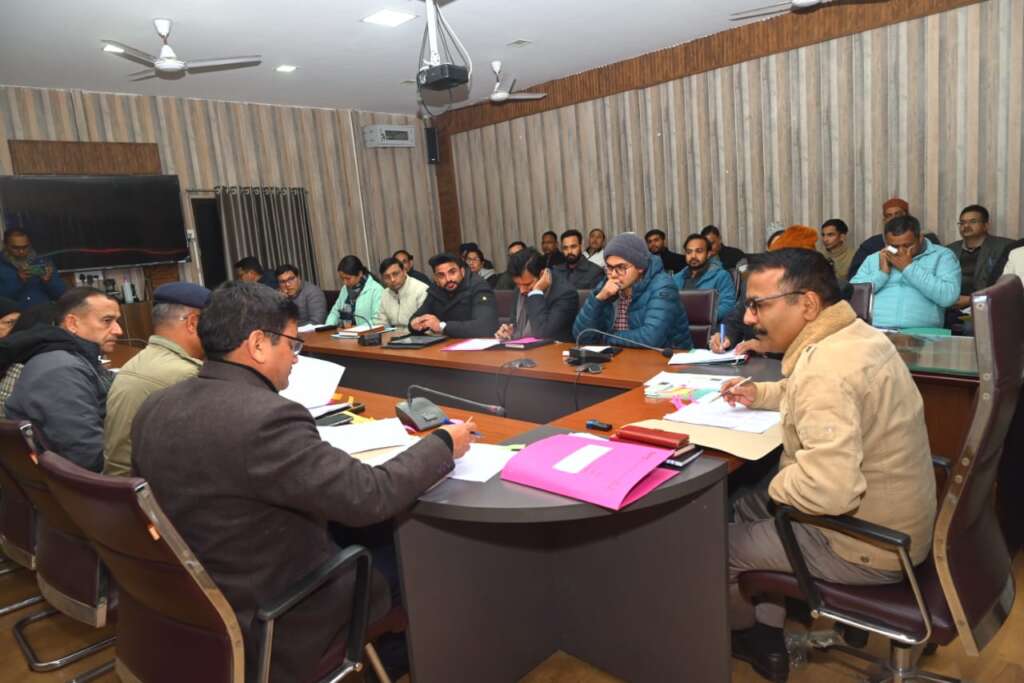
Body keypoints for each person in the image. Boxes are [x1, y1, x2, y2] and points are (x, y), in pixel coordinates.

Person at [132, 281, 473, 683]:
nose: (296, 359)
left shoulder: (156, 405)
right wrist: (442, 445)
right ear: (258, 344)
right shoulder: (266, 417)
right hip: (278, 613)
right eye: (292, 345)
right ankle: (398, 659)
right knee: (419, 556)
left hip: (193, 605)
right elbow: (369, 496)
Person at [720, 249, 935, 682]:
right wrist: (761, 395)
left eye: (758, 305)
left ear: (807, 304)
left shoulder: (827, 369)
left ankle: (754, 636)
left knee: (717, 547)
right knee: (746, 503)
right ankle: (778, 608)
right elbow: (809, 392)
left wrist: (779, 483)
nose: (748, 318)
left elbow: (830, 491)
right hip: (900, 522)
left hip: (867, 545)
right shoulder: (853, 336)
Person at [5, 287, 121, 471]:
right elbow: (87, 456)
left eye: (117, 321)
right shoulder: (60, 369)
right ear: (72, 323)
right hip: (80, 483)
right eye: (107, 321)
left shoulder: (75, 357)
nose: (118, 330)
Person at [102, 282, 211, 477]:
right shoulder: (187, 375)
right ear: (193, 323)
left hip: (123, 485)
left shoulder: (134, 363)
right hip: (150, 488)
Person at [573, 232, 693, 350]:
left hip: (665, 358)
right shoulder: (607, 284)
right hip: (618, 356)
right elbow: (581, 336)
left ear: (640, 267)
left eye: (621, 267)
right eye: (609, 267)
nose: (613, 274)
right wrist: (599, 299)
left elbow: (651, 338)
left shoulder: (663, 286)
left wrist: (605, 337)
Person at [851, 215, 960, 329]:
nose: (901, 251)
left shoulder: (942, 256)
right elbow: (854, 295)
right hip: (874, 330)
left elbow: (948, 297)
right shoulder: (874, 258)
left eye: (907, 245)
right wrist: (881, 274)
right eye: (894, 246)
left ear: (920, 238)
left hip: (922, 333)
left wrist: (908, 267)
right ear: (886, 243)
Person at [495, 248, 579, 343]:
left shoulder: (565, 294)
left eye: (527, 284)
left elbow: (543, 333)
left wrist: (536, 292)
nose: (522, 290)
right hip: (524, 349)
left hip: (554, 350)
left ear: (542, 274)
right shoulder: (521, 287)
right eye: (518, 284)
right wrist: (509, 332)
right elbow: (515, 324)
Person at [409, 253, 499, 338]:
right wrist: (414, 324)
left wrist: (441, 326)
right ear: (436, 279)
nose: (448, 279)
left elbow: (485, 326)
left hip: (474, 345)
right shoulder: (436, 289)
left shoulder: (478, 286)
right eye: (441, 275)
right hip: (445, 343)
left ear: (462, 271)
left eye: (452, 272)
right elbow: (418, 316)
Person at [847, 198, 942, 278]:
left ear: (908, 216)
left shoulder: (927, 241)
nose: (894, 218)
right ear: (884, 220)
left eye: (898, 214)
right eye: (889, 216)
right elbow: (855, 278)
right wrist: (881, 274)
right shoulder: (872, 244)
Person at [946, 205, 1013, 309]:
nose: (966, 226)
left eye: (973, 222)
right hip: (953, 306)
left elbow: (1008, 286)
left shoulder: (1005, 247)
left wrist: (972, 300)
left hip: (989, 307)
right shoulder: (949, 250)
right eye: (962, 223)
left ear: (986, 225)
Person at [672, 234, 736, 321]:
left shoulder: (721, 276)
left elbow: (728, 306)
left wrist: (703, 316)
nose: (693, 256)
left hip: (708, 326)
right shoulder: (676, 278)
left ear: (708, 254)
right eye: (689, 252)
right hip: (679, 326)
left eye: (699, 251)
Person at [0, 229, 66, 309]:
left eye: (25, 247)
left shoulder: (43, 261)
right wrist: (18, 282)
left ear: (30, 244)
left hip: (44, 312)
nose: (21, 251)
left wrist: (48, 281)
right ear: (5, 245)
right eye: (15, 248)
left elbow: (61, 295)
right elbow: (2, 300)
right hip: (14, 314)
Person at [373, 257, 429, 333]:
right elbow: (380, 322)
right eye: (387, 277)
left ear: (404, 271)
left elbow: (425, 325)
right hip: (394, 337)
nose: (392, 279)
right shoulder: (385, 294)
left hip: (417, 335)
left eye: (395, 274)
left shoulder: (421, 289)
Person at [325, 255, 384, 328]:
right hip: (347, 332)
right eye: (342, 278)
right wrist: (328, 327)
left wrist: (356, 329)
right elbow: (335, 312)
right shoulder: (345, 289)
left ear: (360, 274)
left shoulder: (376, 289)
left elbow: (377, 320)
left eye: (348, 278)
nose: (345, 282)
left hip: (368, 333)